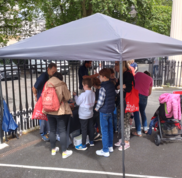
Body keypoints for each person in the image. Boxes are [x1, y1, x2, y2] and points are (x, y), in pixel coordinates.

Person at [44, 72, 73, 159]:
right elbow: (68, 97)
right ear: (60, 78)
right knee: (62, 130)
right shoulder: (61, 84)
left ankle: (53, 149)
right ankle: (64, 152)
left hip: (49, 110)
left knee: (52, 130)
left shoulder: (47, 83)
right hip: (59, 110)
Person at [32, 63, 57, 141]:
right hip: (42, 100)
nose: (54, 73)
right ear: (48, 69)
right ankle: (43, 134)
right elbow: (34, 88)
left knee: (46, 117)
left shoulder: (50, 76)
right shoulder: (43, 77)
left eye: (55, 71)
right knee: (42, 118)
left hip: (47, 100)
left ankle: (47, 132)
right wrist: (36, 96)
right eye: (53, 71)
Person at [95, 68, 116, 157]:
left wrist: (96, 108)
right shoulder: (111, 85)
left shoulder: (103, 87)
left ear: (104, 77)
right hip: (110, 110)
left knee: (104, 131)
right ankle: (110, 146)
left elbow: (101, 100)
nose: (99, 78)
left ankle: (105, 150)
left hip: (103, 111)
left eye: (99, 76)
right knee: (110, 129)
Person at [114, 61, 134, 151]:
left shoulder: (128, 74)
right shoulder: (122, 74)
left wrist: (119, 86)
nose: (115, 67)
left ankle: (126, 142)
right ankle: (122, 139)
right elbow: (119, 86)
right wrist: (120, 86)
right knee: (121, 121)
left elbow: (129, 87)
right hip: (121, 101)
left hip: (126, 102)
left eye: (116, 64)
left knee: (125, 122)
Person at [73, 78, 95, 150]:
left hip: (83, 115)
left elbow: (77, 103)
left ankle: (83, 145)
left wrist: (75, 96)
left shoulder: (83, 94)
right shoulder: (93, 92)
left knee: (84, 129)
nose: (82, 87)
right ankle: (91, 141)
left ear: (86, 85)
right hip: (90, 113)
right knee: (91, 127)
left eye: (83, 85)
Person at [132, 71, 153, 136]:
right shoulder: (150, 79)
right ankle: (145, 129)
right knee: (143, 112)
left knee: (136, 113)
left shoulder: (138, 74)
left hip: (136, 95)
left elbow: (133, 81)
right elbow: (149, 93)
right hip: (144, 97)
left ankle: (138, 132)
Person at [109, 68, 118, 133]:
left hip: (111, 101)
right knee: (114, 116)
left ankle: (112, 128)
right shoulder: (116, 80)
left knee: (112, 116)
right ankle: (116, 128)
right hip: (114, 99)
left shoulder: (108, 81)